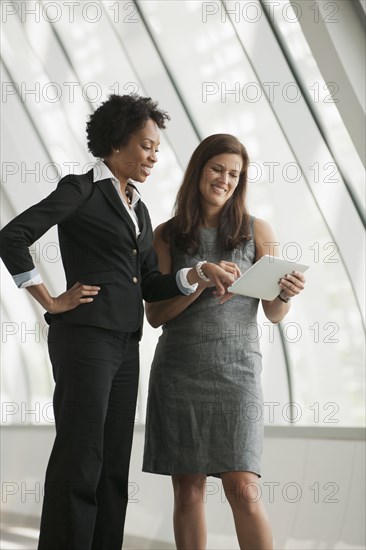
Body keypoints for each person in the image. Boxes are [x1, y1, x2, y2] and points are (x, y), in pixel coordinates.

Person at [0, 96, 237, 550]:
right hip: (86, 339)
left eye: (156, 149)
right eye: (146, 146)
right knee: (80, 459)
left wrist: (198, 273)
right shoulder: (81, 189)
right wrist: (50, 298)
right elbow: (12, 237)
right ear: (116, 143)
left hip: (126, 343)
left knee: (112, 464)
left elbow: (150, 282)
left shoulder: (139, 207)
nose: (153, 157)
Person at [143, 133, 306, 549]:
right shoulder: (166, 235)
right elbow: (156, 315)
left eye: (235, 173)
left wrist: (285, 292)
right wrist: (199, 279)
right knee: (188, 490)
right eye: (217, 168)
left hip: (238, 372)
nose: (225, 179)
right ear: (198, 169)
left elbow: (273, 312)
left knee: (243, 488)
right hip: (180, 372)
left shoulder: (257, 230)